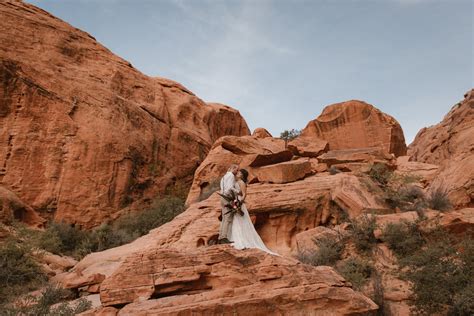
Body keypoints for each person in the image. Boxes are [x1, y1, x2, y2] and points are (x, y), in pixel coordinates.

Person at [229, 169, 278, 255]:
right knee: (236, 221)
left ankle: (242, 241)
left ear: (242, 175)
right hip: (235, 201)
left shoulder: (242, 183)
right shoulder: (236, 181)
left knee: (241, 220)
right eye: (238, 172)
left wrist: (239, 203)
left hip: (239, 202)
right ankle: (235, 239)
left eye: (240, 173)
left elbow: (244, 194)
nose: (238, 173)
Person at [218, 164, 240, 244]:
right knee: (227, 218)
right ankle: (224, 237)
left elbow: (222, 188)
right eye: (237, 170)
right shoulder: (231, 176)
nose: (237, 172)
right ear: (233, 168)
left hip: (222, 197)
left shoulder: (224, 177)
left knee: (224, 218)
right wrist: (238, 192)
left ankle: (220, 237)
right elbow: (230, 187)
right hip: (227, 197)